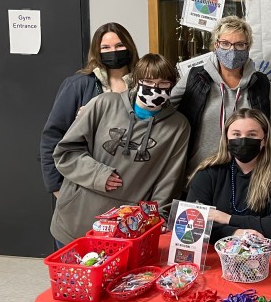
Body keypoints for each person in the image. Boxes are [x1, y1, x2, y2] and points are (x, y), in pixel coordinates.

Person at [49, 54, 190, 245]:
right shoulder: (103, 103)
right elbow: (65, 152)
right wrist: (99, 175)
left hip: (126, 227)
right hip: (77, 216)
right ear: (135, 81)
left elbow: (170, 179)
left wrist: (156, 218)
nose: (155, 89)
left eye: (163, 83)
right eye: (148, 81)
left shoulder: (178, 126)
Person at [40, 22, 138, 198]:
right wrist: (57, 188)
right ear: (97, 51)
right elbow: (53, 136)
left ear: (129, 47)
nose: (113, 51)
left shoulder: (142, 86)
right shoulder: (78, 85)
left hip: (130, 182)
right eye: (105, 47)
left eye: (119, 45)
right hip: (84, 183)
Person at [171, 16, 271, 178]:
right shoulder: (195, 78)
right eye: (225, 44)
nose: (232, 50)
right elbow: (165, 112)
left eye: (239, 44)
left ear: (248, 47)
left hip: (246, 176)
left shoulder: (260, 83)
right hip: (198, 173)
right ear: (215, 45)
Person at [186, 108, 271, 244]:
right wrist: (235, 233)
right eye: (236, 134)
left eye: (252, 135)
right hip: (217, 253)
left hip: (267, 254)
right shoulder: (209, 172)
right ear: (226, 139)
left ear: (264, 139)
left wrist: (227, 219)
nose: (243, 140)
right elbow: (191, 222)